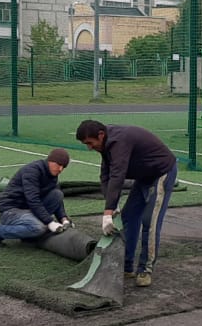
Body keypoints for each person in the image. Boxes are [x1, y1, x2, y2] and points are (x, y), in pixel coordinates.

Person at [75, 119, 178, 288]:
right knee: (128, 217)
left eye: (90, 143)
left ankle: (145, 268)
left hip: (161, 172)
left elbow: (118, 175)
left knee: (149, 221)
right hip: (144, 176)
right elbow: (105, 176)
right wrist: (112, 205)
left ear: (100, 135)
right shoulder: (105, 143)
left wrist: (108, 212)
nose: (89, 147)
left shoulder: (118, 141)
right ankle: (127, 265)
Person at [0, 148, 74, 246]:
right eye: (59, 165)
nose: (60, 169)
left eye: (63, 167)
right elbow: (33, 200)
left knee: (57, 194)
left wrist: (63, 219)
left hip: (28, 209)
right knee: (39, 228)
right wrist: (50, 222)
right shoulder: (32, 171)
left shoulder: (52, 174)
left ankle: (27, 231)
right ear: (50, 161)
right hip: (10, 210)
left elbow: (57, 200)